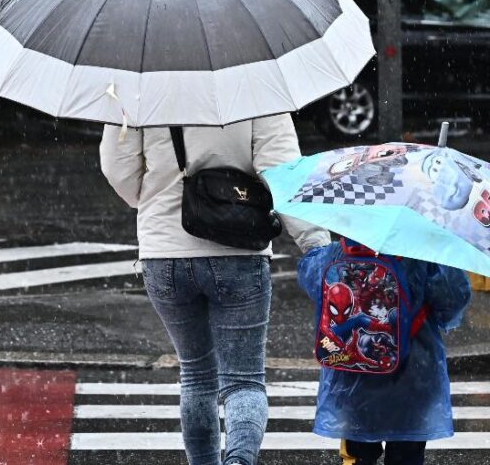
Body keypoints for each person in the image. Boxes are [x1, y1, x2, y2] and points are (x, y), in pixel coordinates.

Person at [100, 116, 331, 465]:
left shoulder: (138, 84)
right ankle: (239, 460)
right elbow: (282, 169)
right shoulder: (255, 74)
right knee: (243, 382)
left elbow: (120, 172)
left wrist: (157, 191)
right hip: (237, 246)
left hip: (165, 250)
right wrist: (315, 244)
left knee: (195, 377)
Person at [297, 239, 472, 465]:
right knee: (406, 455)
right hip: (412, 372)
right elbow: (453, 297)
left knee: (358, 454)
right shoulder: (425, 250)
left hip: (354, 376)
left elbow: (311, 279)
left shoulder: (340, 250)